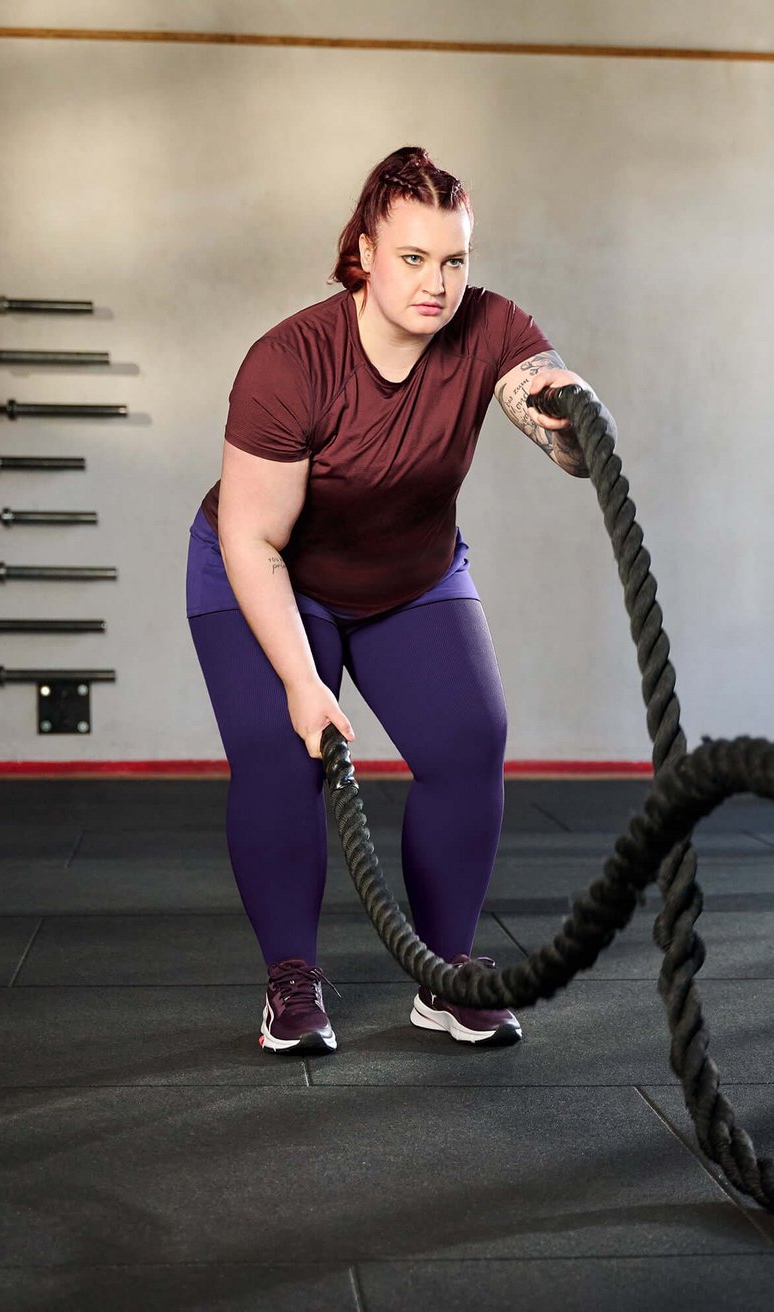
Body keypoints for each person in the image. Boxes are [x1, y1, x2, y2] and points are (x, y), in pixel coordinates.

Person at [187, 146, 597, 1056]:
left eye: (453, 260)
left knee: (471, 739)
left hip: (410, 577)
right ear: (366, 252)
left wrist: (576, 412)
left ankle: (446, 975)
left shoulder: (489, 326)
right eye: (413, 258)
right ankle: (291, 982)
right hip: (269, 570)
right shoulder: (290, 362)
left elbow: (550, 413)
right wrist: (303, 682)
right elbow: (253, 540)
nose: (437, 283)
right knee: (282, 754)